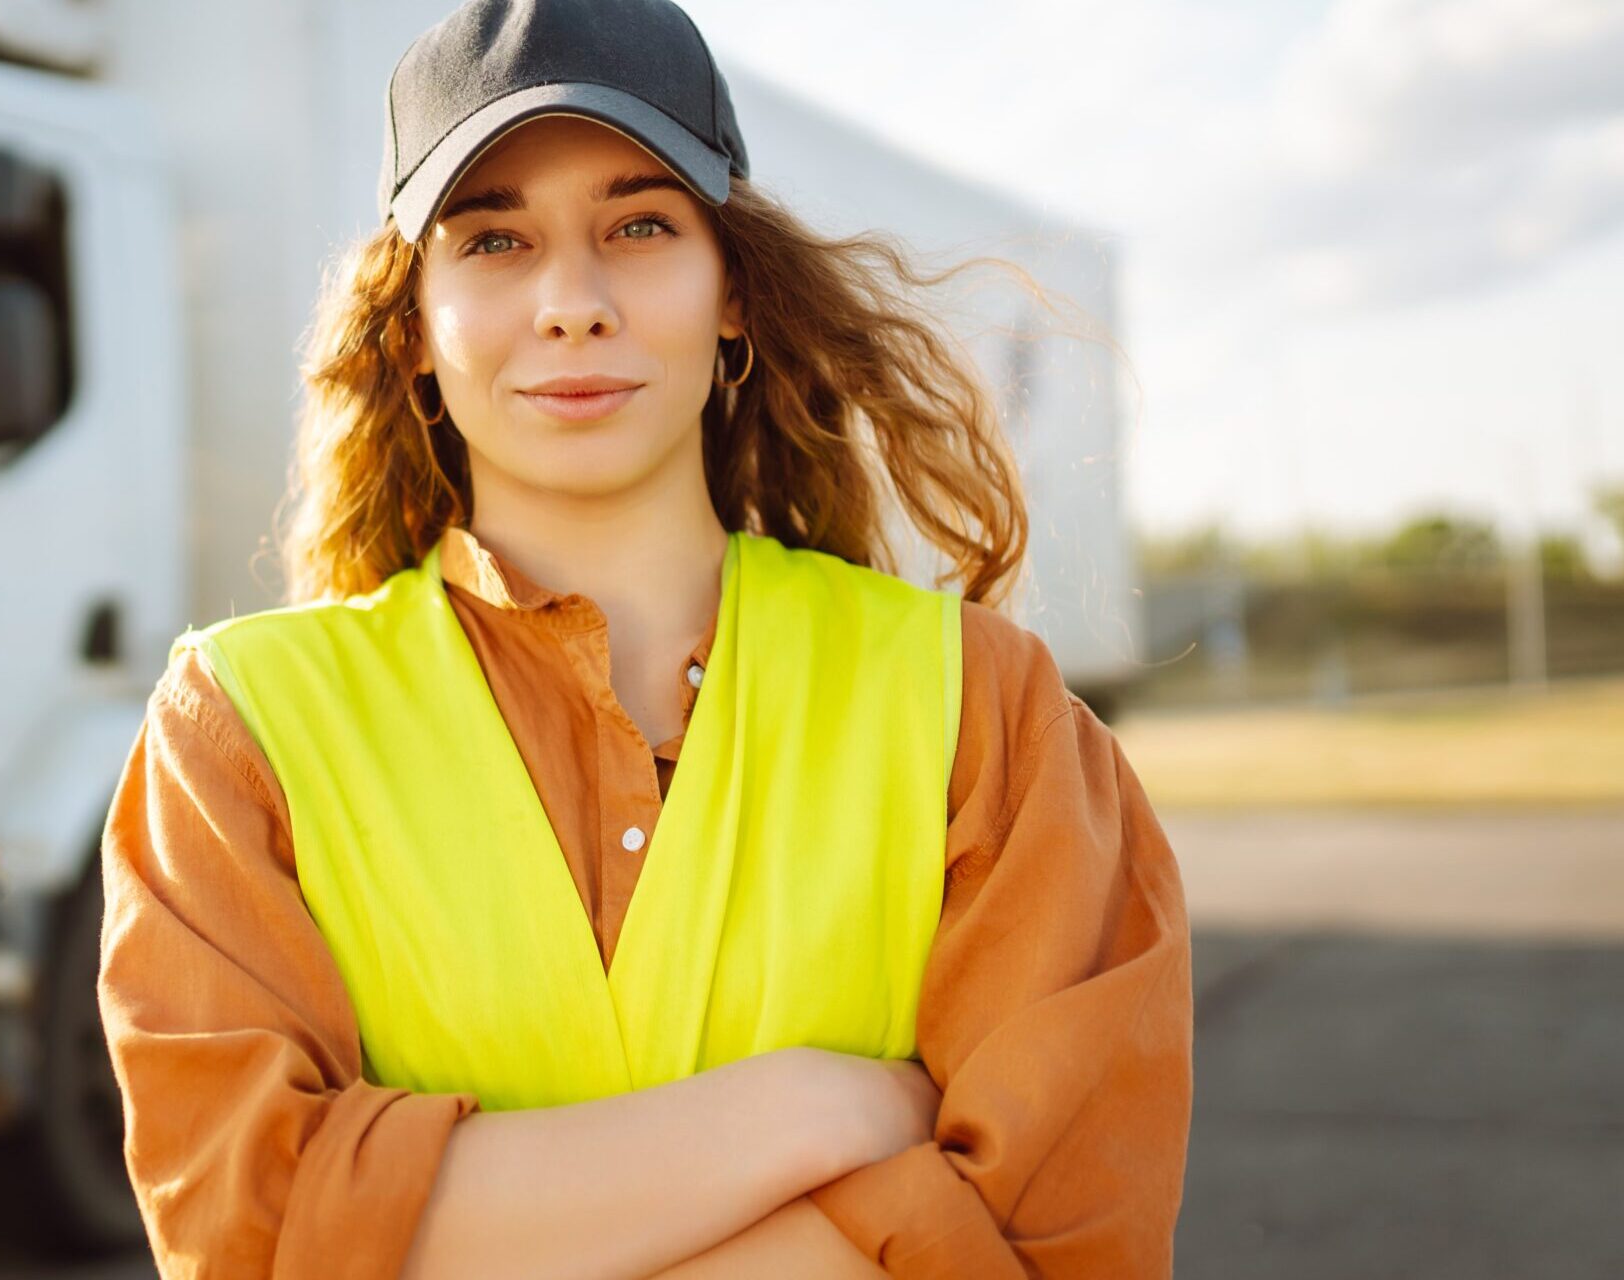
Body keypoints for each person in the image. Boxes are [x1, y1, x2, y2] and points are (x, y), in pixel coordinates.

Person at [95, 1, 1193, 1275]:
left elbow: (1053, 1243)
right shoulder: (236, 731)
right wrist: (807, 1111)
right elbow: (250, 1234)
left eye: (639, 225)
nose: (572, 301)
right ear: (411, 334)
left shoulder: (978, 706)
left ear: (733, 293)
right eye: (494, 238)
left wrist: (441, 1224)